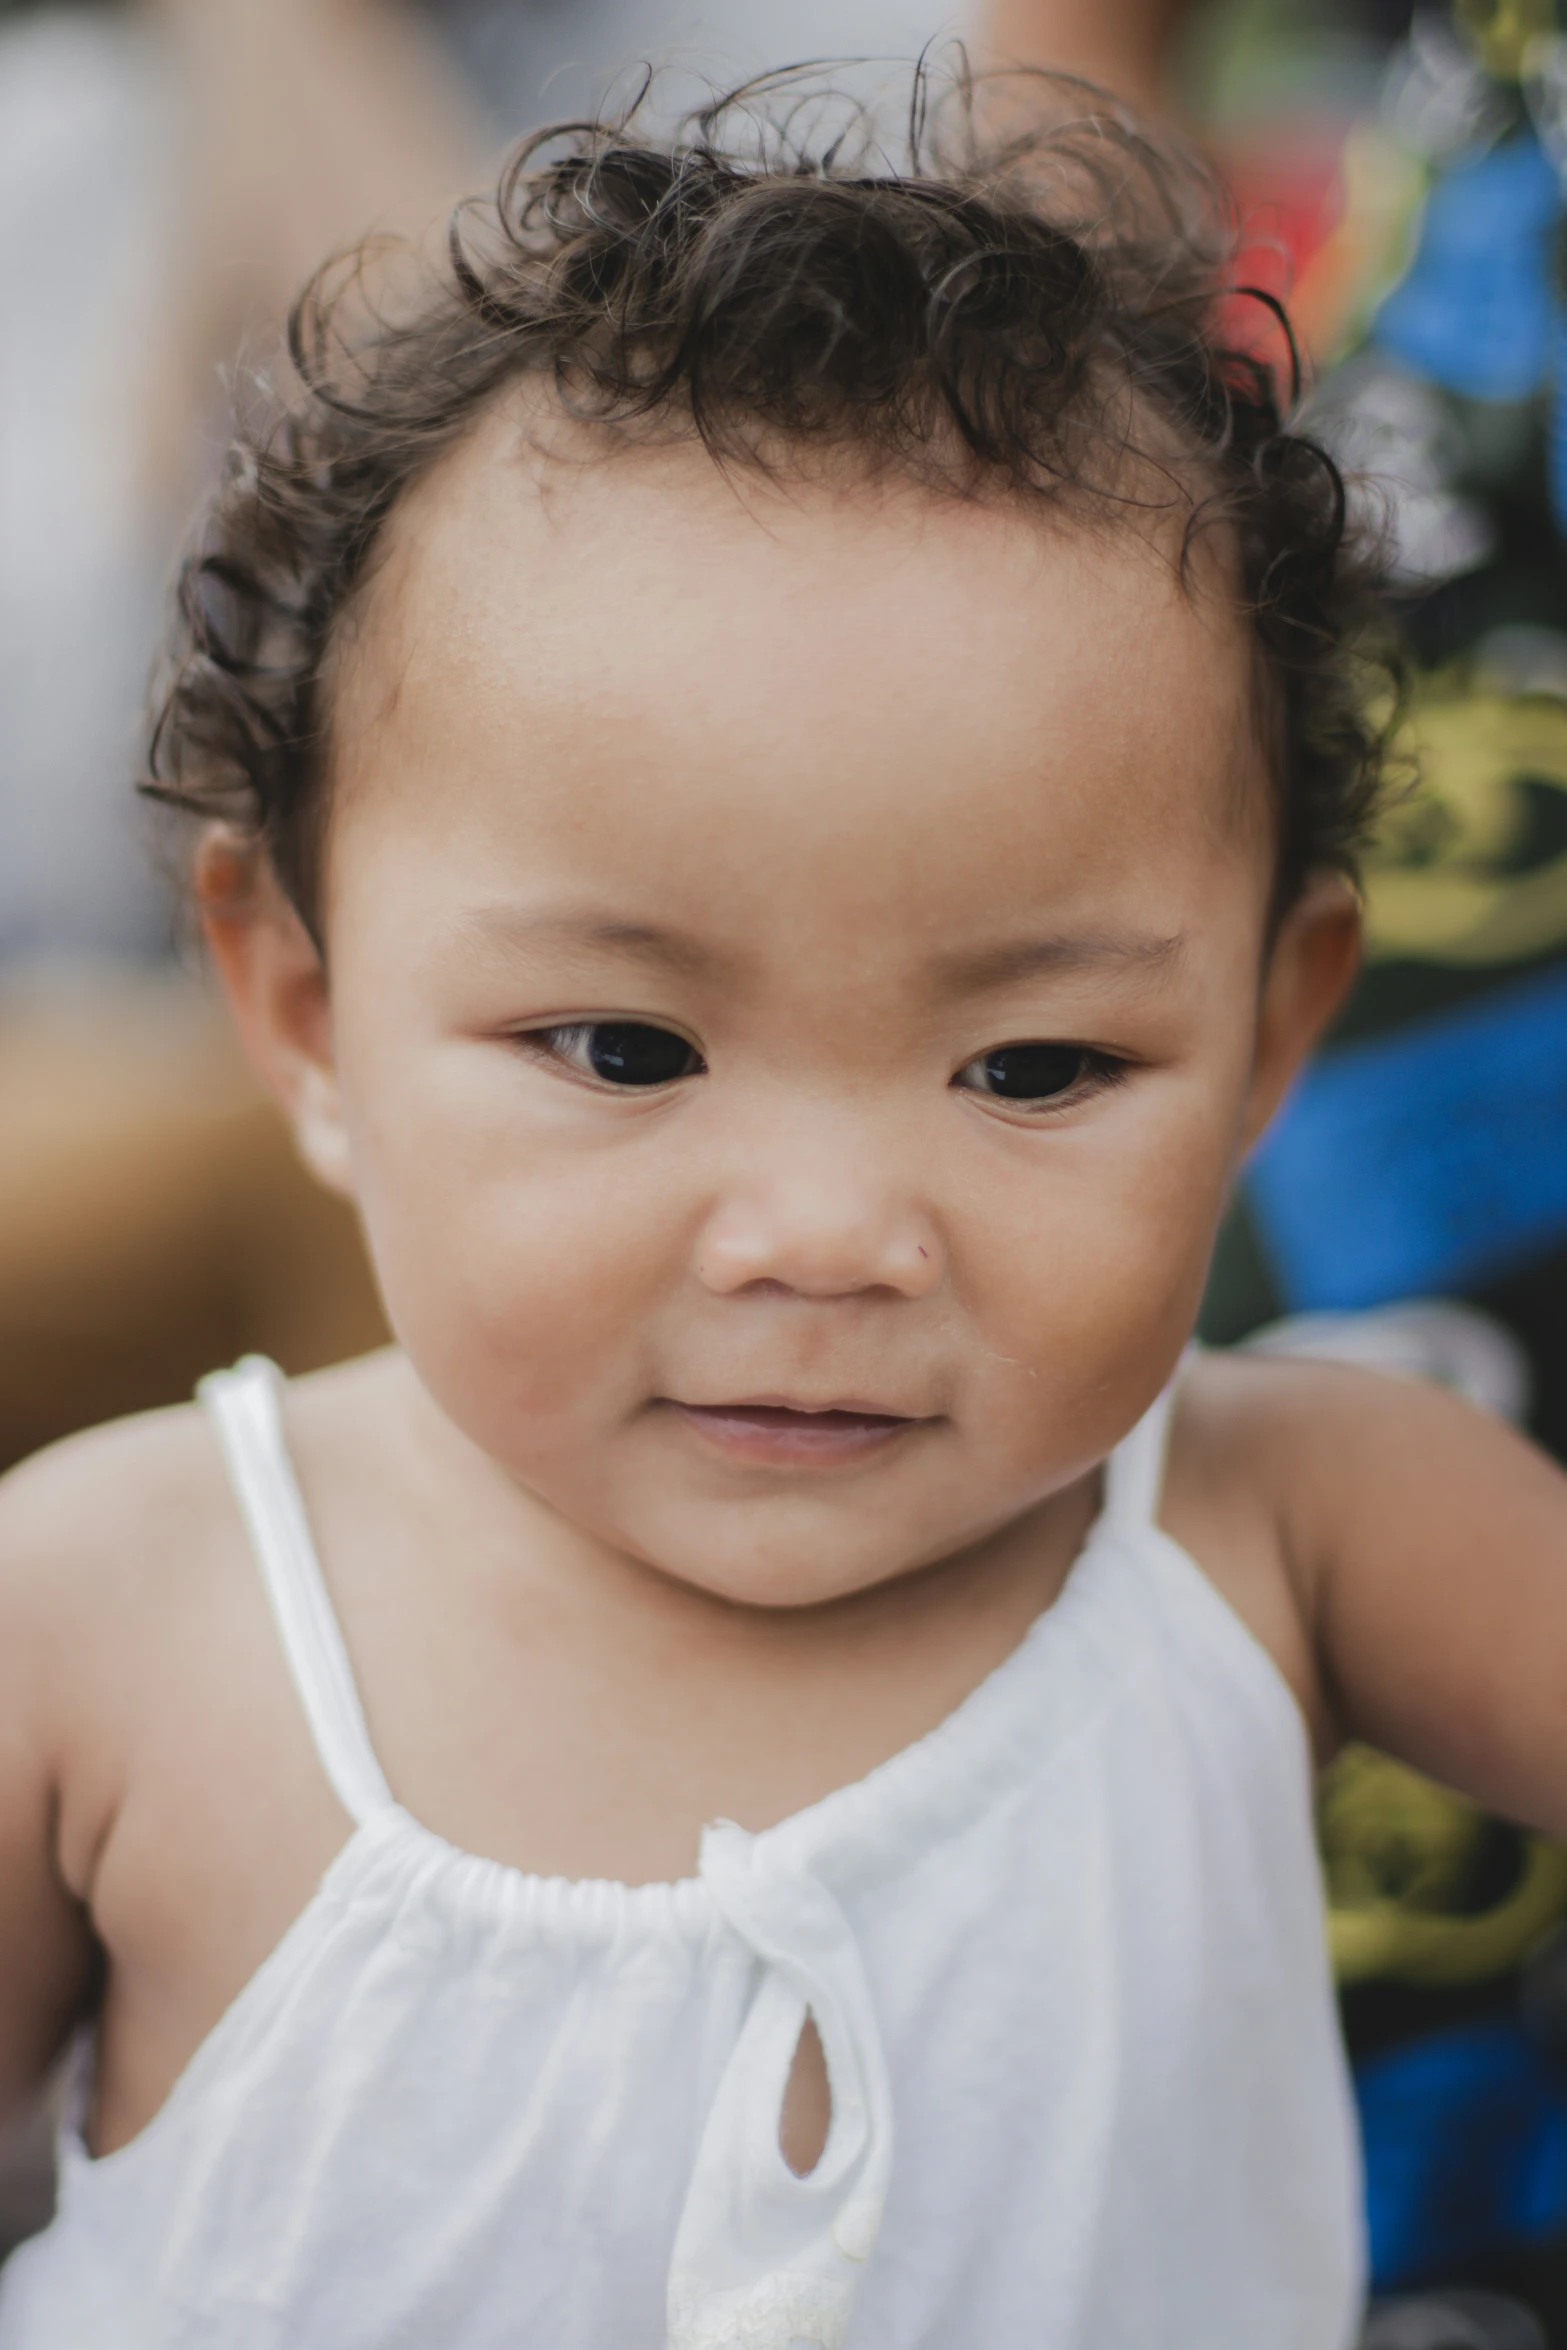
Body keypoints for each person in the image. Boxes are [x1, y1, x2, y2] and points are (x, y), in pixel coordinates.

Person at [1, 65, 1559, 2348]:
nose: (828, 1232)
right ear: (307, 1009)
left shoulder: (1291, 1518)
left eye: (1034, 1067)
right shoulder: (111, 1614)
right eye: (625, 1050)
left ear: (1269, 1026)